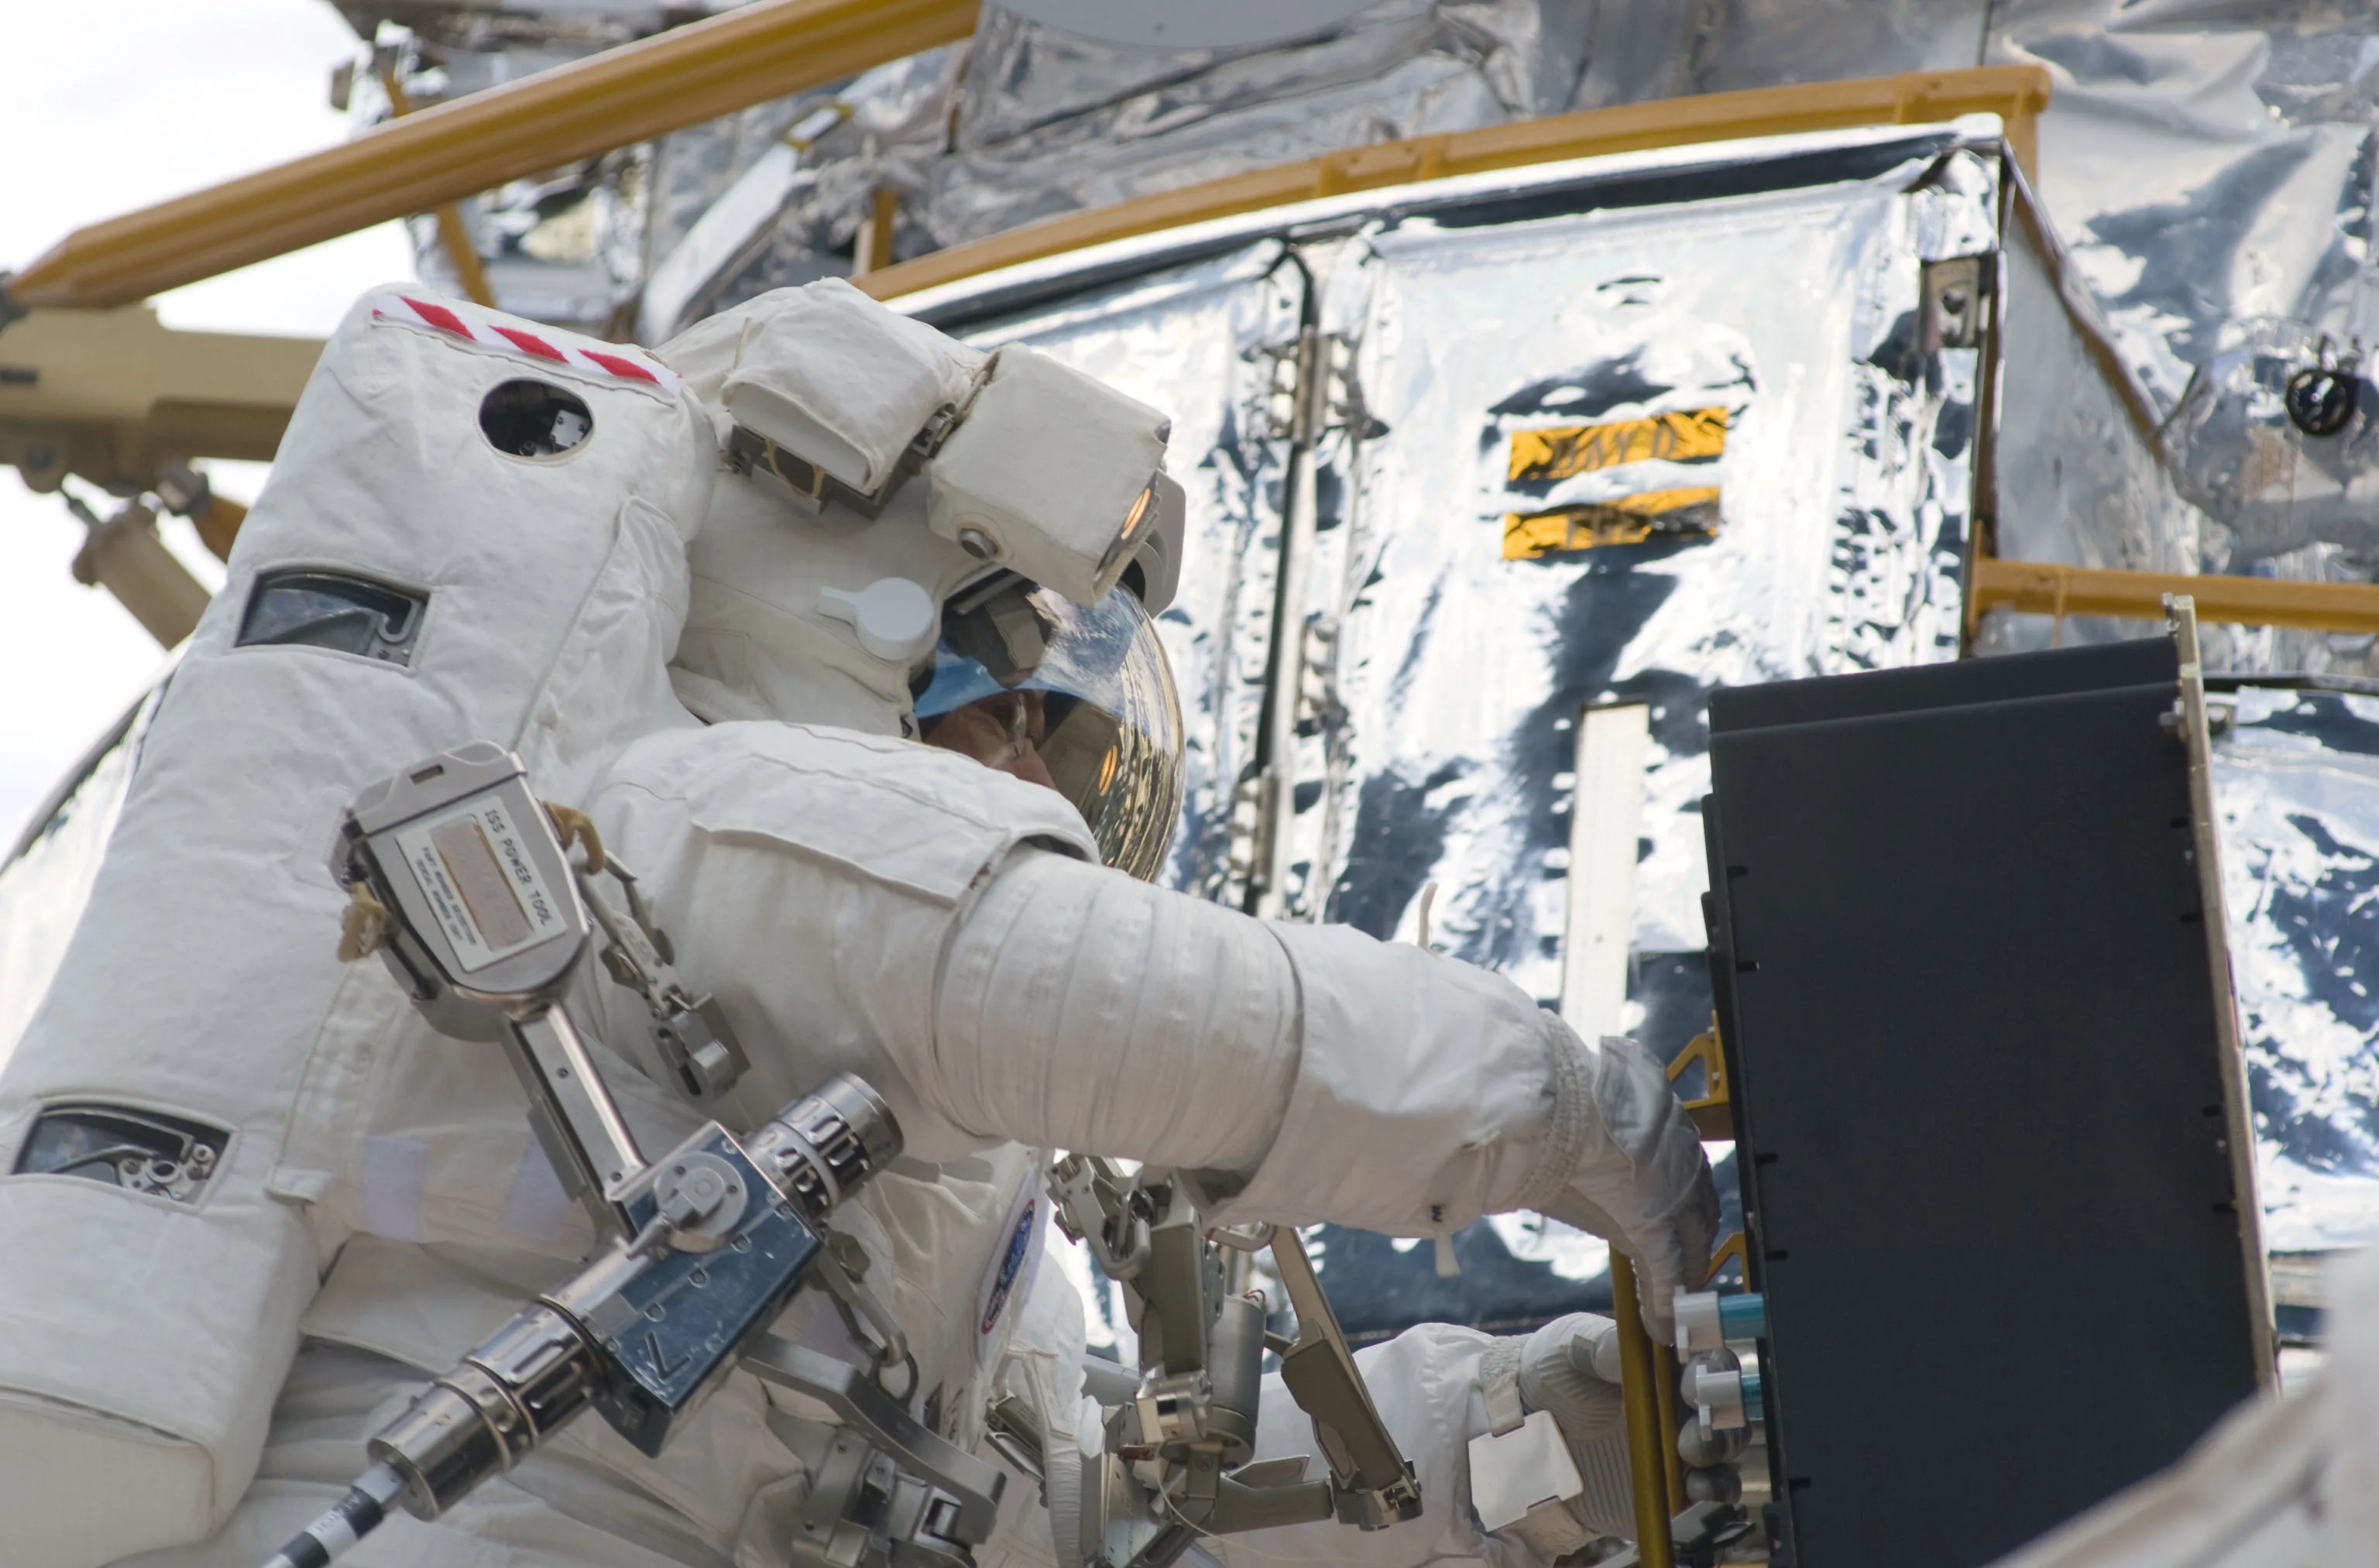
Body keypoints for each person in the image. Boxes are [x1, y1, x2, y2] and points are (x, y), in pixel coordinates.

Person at [0, 278, 1714, 1568]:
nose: (1024, 761)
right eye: (999, 695)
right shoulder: (704, 812)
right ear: (835, 612)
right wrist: (1586, 1115)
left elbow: (1093, 1508)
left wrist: (1509, 1443)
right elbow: (1123, 1001)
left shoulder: (926, 1204)